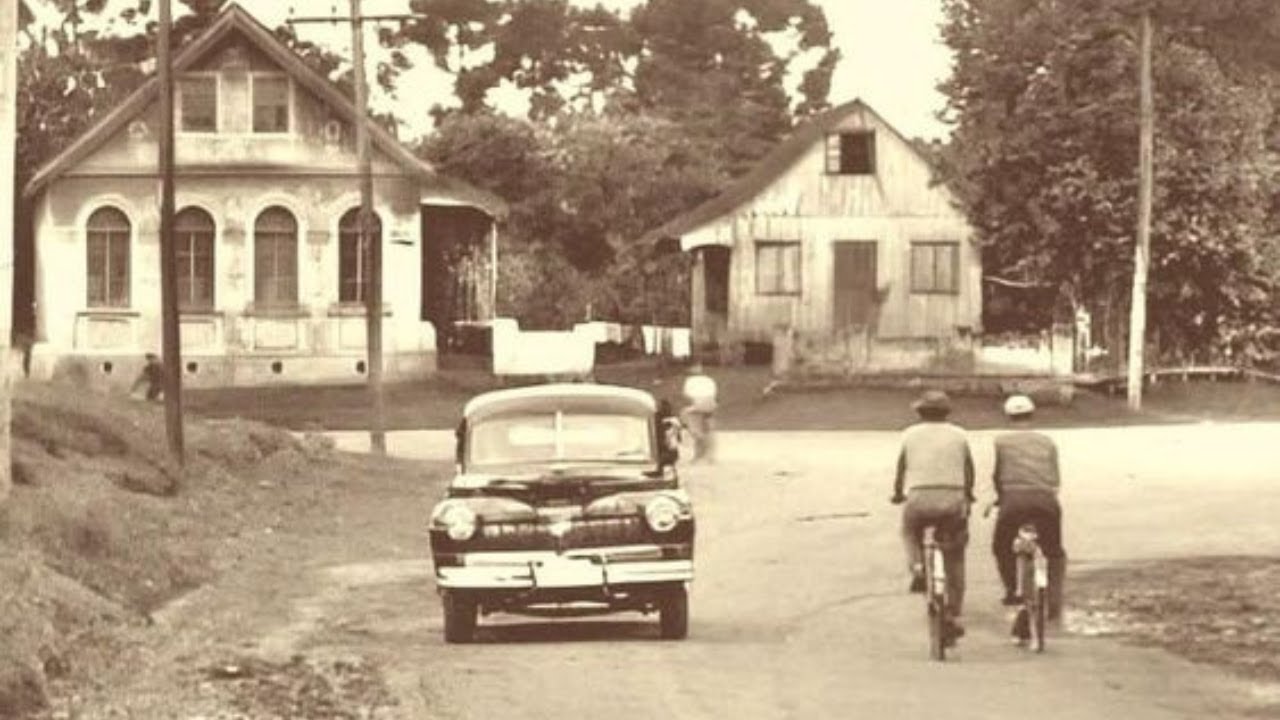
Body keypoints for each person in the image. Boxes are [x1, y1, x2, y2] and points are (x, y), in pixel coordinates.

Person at [891, 389, 975, 639]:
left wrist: (898, 493)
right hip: (953, 498)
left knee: (909, 531)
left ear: (919, 412)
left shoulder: (909, 434)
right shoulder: (959, 434)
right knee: (955, 554)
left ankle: (918, 567)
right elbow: (968, 470)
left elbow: (901, 469)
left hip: (919, 497)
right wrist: (968, 495)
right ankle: (955, 609)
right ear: (947, 412)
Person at [990, 394, 1067, 624]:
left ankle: (1012, 590)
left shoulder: (1001, 441)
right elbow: (1054, 477)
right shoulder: (1047, 441)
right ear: (1032, 415)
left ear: (1008, 416)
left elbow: (996, 474)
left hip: (1013, 500)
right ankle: (1054, 603)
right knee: (1054, 552)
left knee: (1001, 546)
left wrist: (999, 497)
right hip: (1045, 500)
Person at [680, 362, 718, 463]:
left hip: (698, 403)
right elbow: (714, 393)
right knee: (709, 430)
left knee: (696, 430)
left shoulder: (690, 380)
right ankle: (710, 455)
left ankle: (699, 453)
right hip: (710, 403)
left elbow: (687, 395)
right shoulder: (709, 380)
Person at [655, 398, 683, 469]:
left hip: (667, 448)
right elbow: (679, 438)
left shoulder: (672, 420)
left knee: (665, 462)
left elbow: (678, 437)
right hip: (664, 447)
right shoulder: (673, 420)